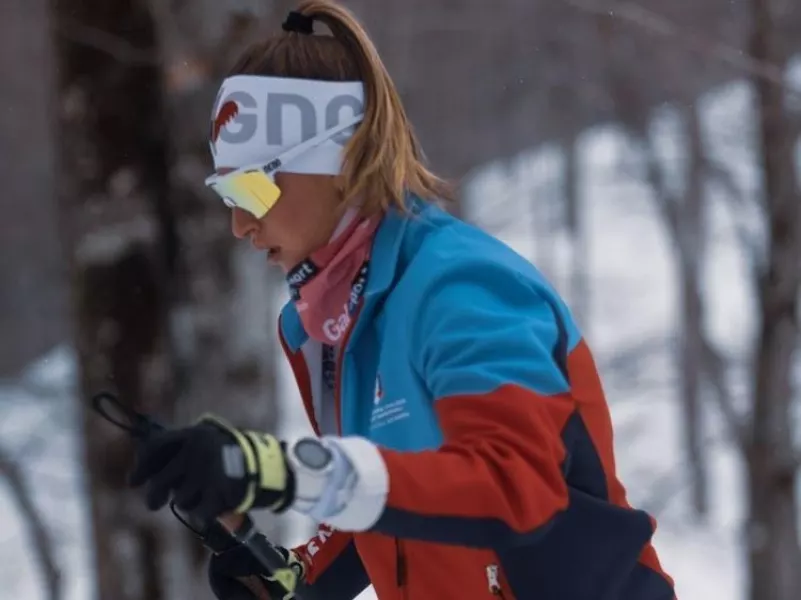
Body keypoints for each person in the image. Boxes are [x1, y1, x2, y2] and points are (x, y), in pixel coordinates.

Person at [128, 2, 677, 599]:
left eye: (249, 187)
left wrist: (283, 473)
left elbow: (514, 486)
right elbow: (400, 490)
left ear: (337, 162)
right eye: (223, 191)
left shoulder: (461, 286)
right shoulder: (333, 318)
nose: (238, 223)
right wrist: (299, 577)